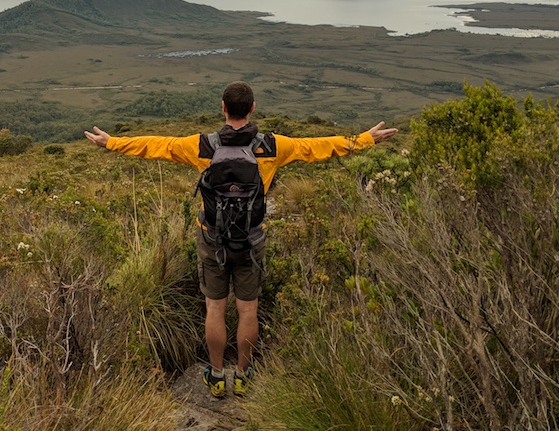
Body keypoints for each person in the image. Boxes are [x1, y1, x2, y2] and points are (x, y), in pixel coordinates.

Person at [85, 81, 396, 398]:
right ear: (252, 108)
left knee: (215, 308)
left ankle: (217, 375)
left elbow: (158, 145)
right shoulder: (274, 146)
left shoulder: (202, 146)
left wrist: (113, 143)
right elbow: (317, 146)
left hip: (212, 238)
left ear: (223, 107)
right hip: (251, 239)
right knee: (248, 310)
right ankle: (244, 375)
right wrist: (364, 140)